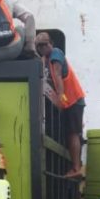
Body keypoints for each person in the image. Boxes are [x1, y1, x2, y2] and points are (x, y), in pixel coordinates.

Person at [34, 32, 86, 178]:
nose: (42, 48)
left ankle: (76, 168)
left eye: (45, 44)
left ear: (51, 44)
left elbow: (57, 76)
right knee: (69, 133)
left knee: (73, 133)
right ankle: (74, 165)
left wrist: (60, 98)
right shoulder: (45, 59)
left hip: (73, 100)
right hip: (68, 102)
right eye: (39, 46)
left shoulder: (56, 53)